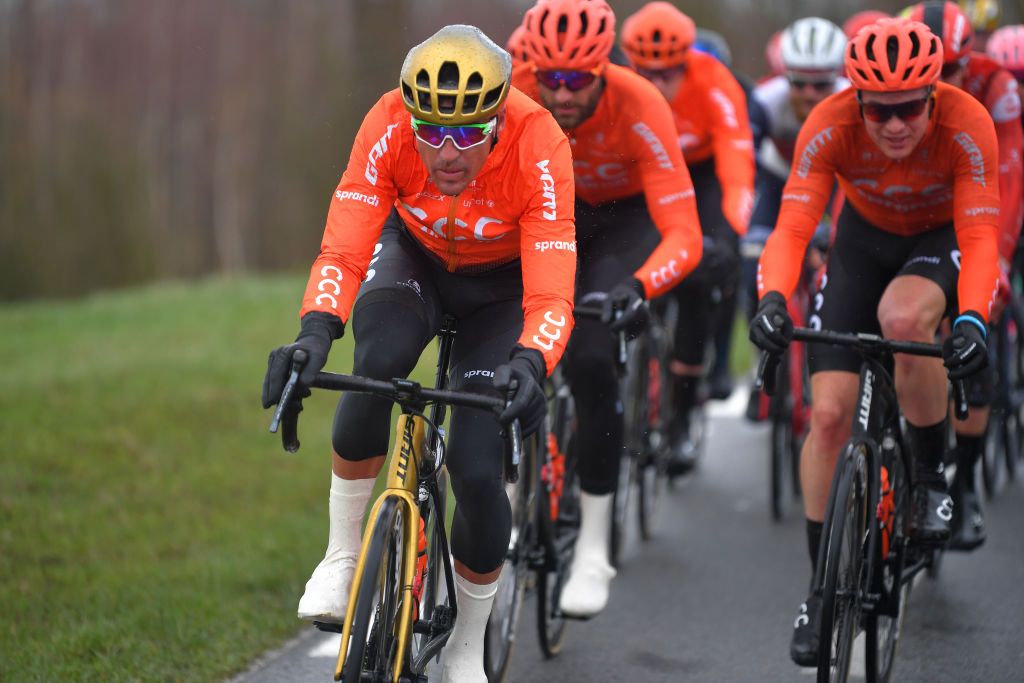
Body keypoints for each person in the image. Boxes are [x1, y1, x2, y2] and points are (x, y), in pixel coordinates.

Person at [260, 25, 577, 682]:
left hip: (503, 294)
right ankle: (343, 555)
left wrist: (531, 361)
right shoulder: (384, 125)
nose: (448, 151)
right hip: (416, 264)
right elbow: (344, 248)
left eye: (467, 132)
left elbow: (551, 293)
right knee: (376, 367)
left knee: (475, 462)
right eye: (432, 130)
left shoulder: (540, 143)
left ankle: (466, 638)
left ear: (497, 119)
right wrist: (315, 331)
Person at [749, 18, 1000, 666]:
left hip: (937, 239)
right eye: (880, 109)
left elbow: (979, 240)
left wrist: (971, 318)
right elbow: (792, 226)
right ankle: (818, 588)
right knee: (829, 415)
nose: (894, 124)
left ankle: (929, 473)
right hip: (862, 239)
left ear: (934, 95)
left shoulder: (968, 123)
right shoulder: (829, 122)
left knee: (903, 318)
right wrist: (773, 299)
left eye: (910, 108)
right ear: (856, 98)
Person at [516, 0, 703, 618]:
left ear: (605, 67)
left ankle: (593, 548)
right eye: (551, 79)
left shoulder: (642, 103)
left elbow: (684, 233)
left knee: (593, 356)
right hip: (550, 217)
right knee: (503, 344)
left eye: (578, 80)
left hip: (622, 224)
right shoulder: (513, 90)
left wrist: (642, 286)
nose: (563, 94)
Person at [905, 0, 1023, 550]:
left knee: (971, 324)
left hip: (981, 203)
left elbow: (1009, 173)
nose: (942, 82)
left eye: (952, 70)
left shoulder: (994, 86)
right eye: (932, 70)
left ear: (970, 59)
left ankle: (968, 487)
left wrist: (997, 259)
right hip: (912, 209)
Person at [620, 1, 755, 471]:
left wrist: (729, 235)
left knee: (700, 277)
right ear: (629, 63)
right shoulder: (615, 84)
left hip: (701, 177)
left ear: (687, 61)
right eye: (645, 72)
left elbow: (737, 168)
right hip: (642, 176)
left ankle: (678, 418)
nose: (657, 84)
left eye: (669, 73)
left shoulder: (716, 82)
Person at [743, 18, 849, 420]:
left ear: (837, 78)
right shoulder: (766, 101)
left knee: (837, 259)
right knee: (753, 261)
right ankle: (763, 353)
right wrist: (744, 227)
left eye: (821, 84)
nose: (808, 93)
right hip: (778, 178)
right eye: (798, 82)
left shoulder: (852, 101)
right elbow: (743, 161)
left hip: (836, 180)